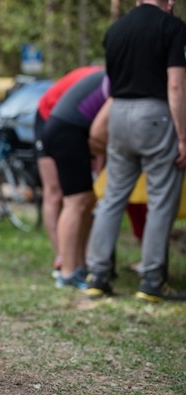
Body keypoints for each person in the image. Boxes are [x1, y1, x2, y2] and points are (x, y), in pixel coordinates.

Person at [86, 0, 186, 302]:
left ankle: (98, 275)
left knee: (113, 197)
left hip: (118, 114)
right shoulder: (172, 27)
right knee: (161, 199)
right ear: (167, 2)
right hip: (156, 115)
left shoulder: (116, 30)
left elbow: (112, 82)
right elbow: (177, 86)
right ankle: (153, 280)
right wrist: (182, 135)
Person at [42, 69, 109, 289]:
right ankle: (68, 272)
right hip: (67, 131)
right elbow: (100, 130)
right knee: (75, 202)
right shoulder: (119, 75)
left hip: (70, 129)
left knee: (86, 200)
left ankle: (79, 266)